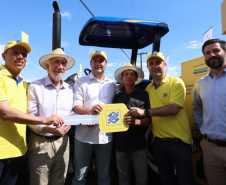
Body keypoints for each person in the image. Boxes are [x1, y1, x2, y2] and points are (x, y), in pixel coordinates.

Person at [0, 41, 63, 185]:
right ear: (4, 56)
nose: (21, 57)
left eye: (24, 54)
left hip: (20, 149)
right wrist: (45, 120)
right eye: (15, 53)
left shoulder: (24, 84)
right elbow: (4, 112)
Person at [128, 51, 194, 185]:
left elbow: (174, 109)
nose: (155, 66)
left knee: (185, 180)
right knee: (165, 180)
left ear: (165, 64)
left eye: (158, 62)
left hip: (179, 142)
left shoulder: (176, 82)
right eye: (151, 63)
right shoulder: (148, 89)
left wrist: (144, 112)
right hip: (158, 142)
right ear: (147, 67)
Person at [27, 48, 75, 185]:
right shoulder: (35, 86)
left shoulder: (69, 89)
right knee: (39, 181)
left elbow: (72, 114)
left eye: (63, 63)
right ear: (47, 66)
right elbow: (30, 117)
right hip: (41, 143)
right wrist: (50, 129)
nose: (60, 67)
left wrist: (68, 126)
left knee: (60, 180)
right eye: (56, 62)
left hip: (63, 143)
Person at [72, 50, 117, 185]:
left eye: (101, 61)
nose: (98, 63)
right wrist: (89, 112)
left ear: (106, 64)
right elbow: (76, 107)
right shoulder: (81, 82)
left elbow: (115, 109)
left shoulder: (112, 84)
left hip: (105, 137)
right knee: (79, 176)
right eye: (95, 61)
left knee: (104, 175)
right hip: (83, 137)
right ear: (91, 63)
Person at [193, 39, 226, 185]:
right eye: (207, 53)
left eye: (216, 51)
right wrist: (202, 129)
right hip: (210, 149)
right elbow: (197, 109)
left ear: (224, 52)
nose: (212, 55)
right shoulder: (200, 84)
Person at [112, 63, 151, 185]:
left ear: (135, 78)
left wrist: (136, 122)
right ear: (122, 78)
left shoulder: (144, 95)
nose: (129, 76)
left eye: (132, 74)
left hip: (139, 146)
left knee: (142, 179)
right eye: (126, 74)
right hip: (120, 146)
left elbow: (150, 121)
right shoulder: (116, 97)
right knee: (123, 180)